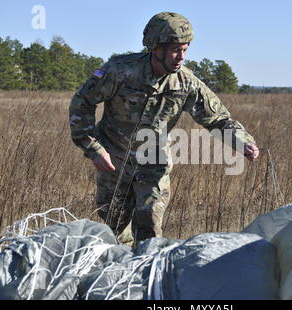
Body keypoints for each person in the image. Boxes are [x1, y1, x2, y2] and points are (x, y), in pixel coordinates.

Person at [69, 12, 259, 246]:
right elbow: (83, 102)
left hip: (153, 161)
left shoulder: (186, 82)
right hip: (113, 161)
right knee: (113, 227)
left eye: (185, 50)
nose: (180, 57)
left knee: (149, 227)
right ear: (155, 47)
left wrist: (243, 142)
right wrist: (93, 148)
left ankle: (145, 275)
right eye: (174, 50)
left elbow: (218, 119)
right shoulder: (120, 71)